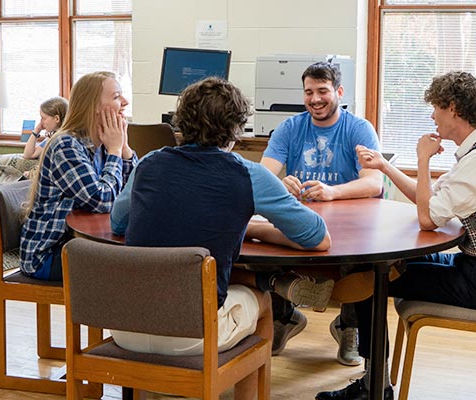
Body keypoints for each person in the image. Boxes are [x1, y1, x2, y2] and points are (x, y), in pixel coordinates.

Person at [316, 71, 476, 400]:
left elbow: (428, 218)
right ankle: (372, 373)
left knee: (370, 280)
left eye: (436, 108)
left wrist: (423, 158)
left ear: (453, 109)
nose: (432, 115)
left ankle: (373, 388)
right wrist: (385, 167)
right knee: (385, 267)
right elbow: (428, 198)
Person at [109, 77, 332, 387]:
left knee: (203, 272)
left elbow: (118, 224)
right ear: (236, 129)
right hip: (193, 335)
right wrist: (258, 229)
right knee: (264, 302)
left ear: (181, 121)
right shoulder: (248, 173)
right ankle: (254, 393)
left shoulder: (148, 163)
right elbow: (318, 237)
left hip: (124, 325)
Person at [258, 61, 383, 365]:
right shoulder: (290, 127)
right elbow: (263, 174)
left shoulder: (359, 129)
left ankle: (348, 327)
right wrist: (279, 182)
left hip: (348, 223)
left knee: (361, 260)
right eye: (309, 92)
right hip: (301, 219)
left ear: (339, 92)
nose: (315, 99)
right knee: (263, 246)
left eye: (323, 91)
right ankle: (284, 318)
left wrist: (332, 192)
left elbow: (374, 182)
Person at [20, 71, 136, 281]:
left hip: (85, 245)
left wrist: (125, 148)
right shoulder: (66, 145)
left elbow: (132, 194)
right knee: (129, 275)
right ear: (94, 108)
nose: (125, 102)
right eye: (117, 96)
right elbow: (103, 201)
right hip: (50, 254)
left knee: (142, 265)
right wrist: (115, 151)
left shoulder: (102, 144)